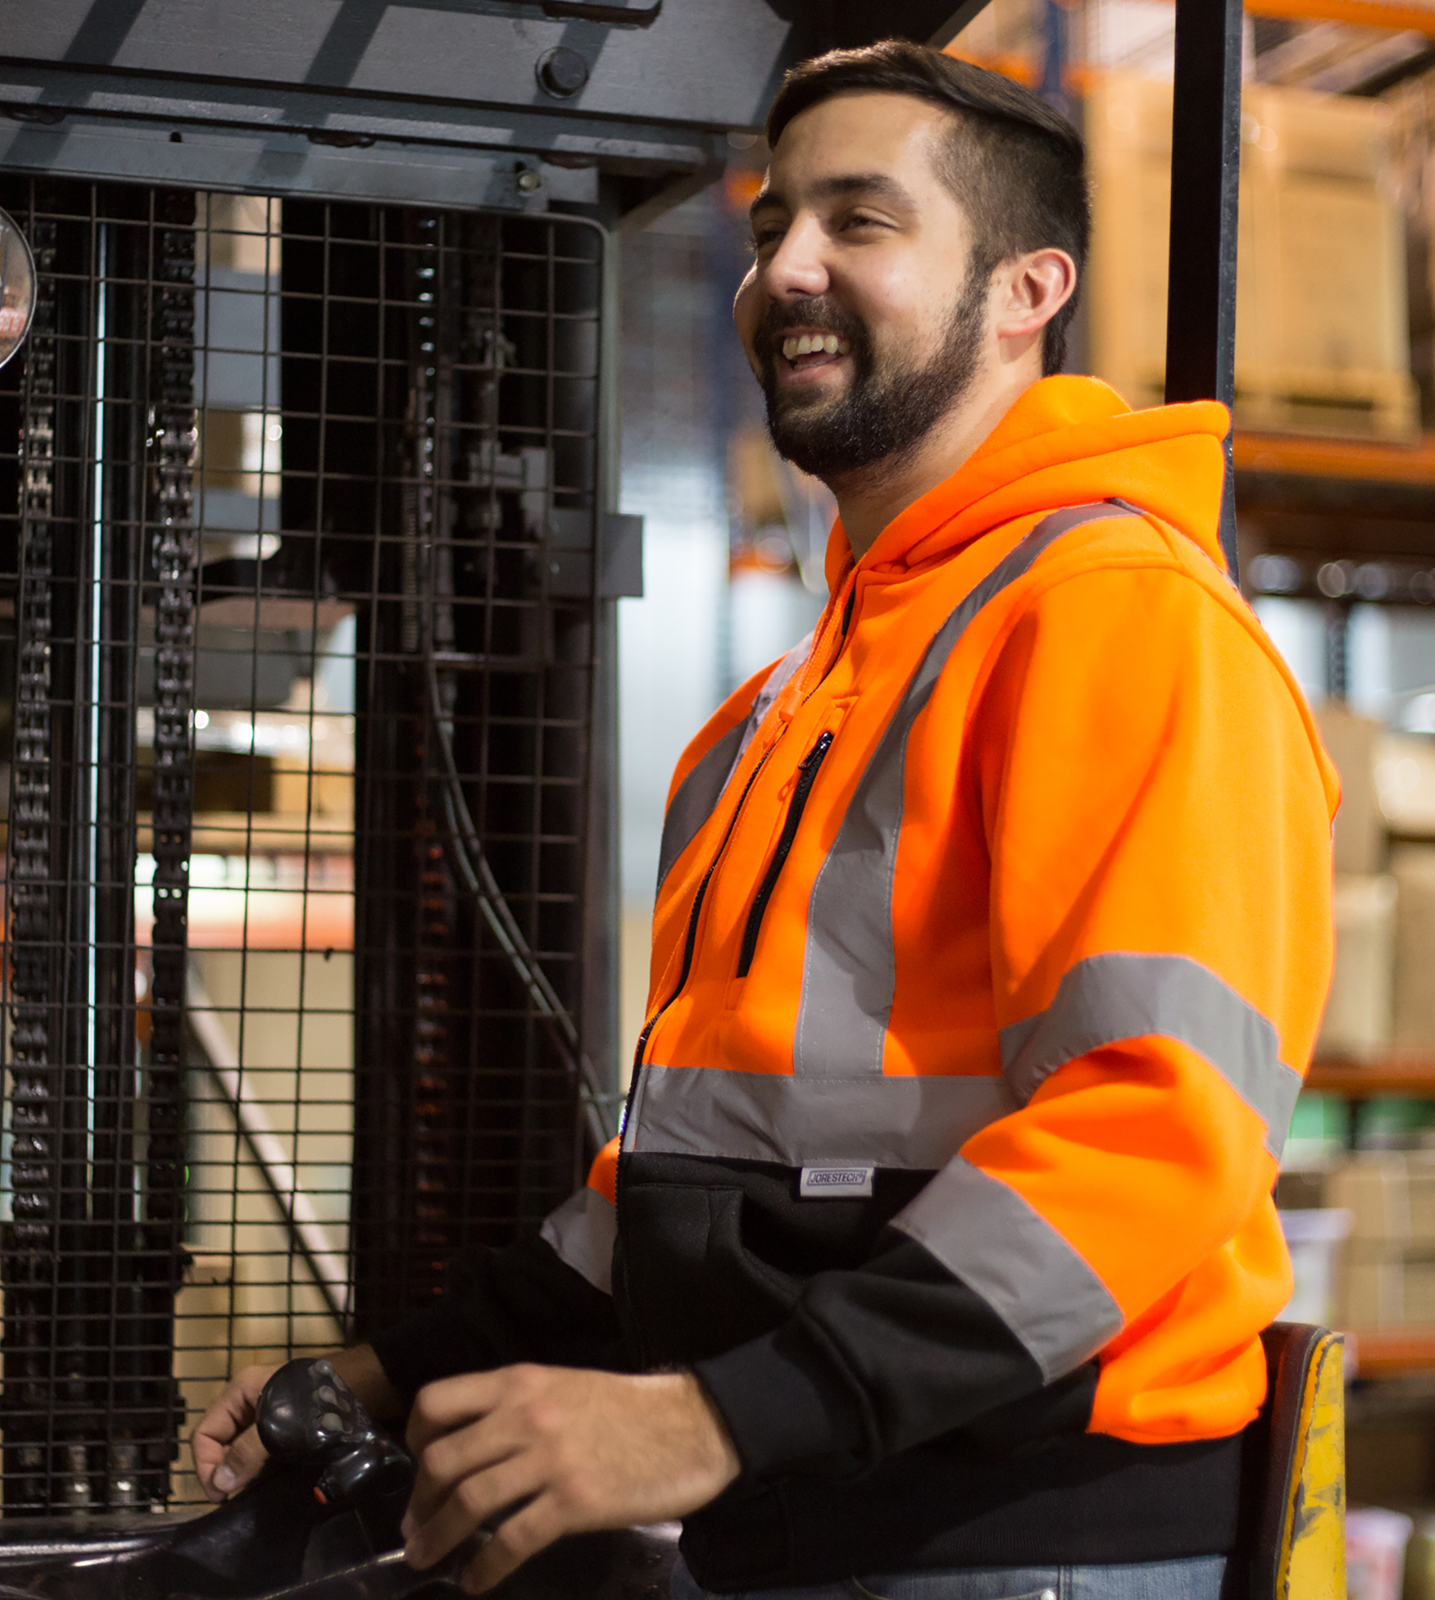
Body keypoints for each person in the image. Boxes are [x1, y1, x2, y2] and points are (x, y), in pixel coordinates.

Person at [193, 40, 1336, 1600]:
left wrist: (708, 1419)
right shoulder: (778, 715)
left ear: (1027, 289)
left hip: (1019, 1545)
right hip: (813, 1522)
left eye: (861, 222)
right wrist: (382, 1375)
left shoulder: (1115, 618)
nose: (787, 266)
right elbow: (690, 1181)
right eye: (768, 226)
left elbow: (1153, 1136)